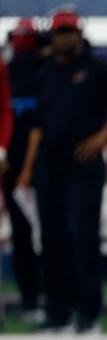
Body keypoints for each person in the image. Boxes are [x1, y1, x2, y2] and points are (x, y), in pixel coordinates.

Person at [19, 8, 107, 333]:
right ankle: (57, 313)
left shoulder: (97, 68)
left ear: (79, 33)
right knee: (51, 239)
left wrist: (102, 137)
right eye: (60, 32)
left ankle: (89, 314)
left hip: (84, 167)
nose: (65, 37)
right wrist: (28, 169)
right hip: (49, 165)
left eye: (70, 31)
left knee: (82, 239)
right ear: (53, 36)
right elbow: (37, 127)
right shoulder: (44, 73)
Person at [3, 20, 42, 321]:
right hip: (15, 164)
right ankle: (32, 299)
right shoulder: (14, 72)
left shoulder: (45, 72)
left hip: (37, 167)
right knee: (25, 235)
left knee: (48, 237)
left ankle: (42, 300)